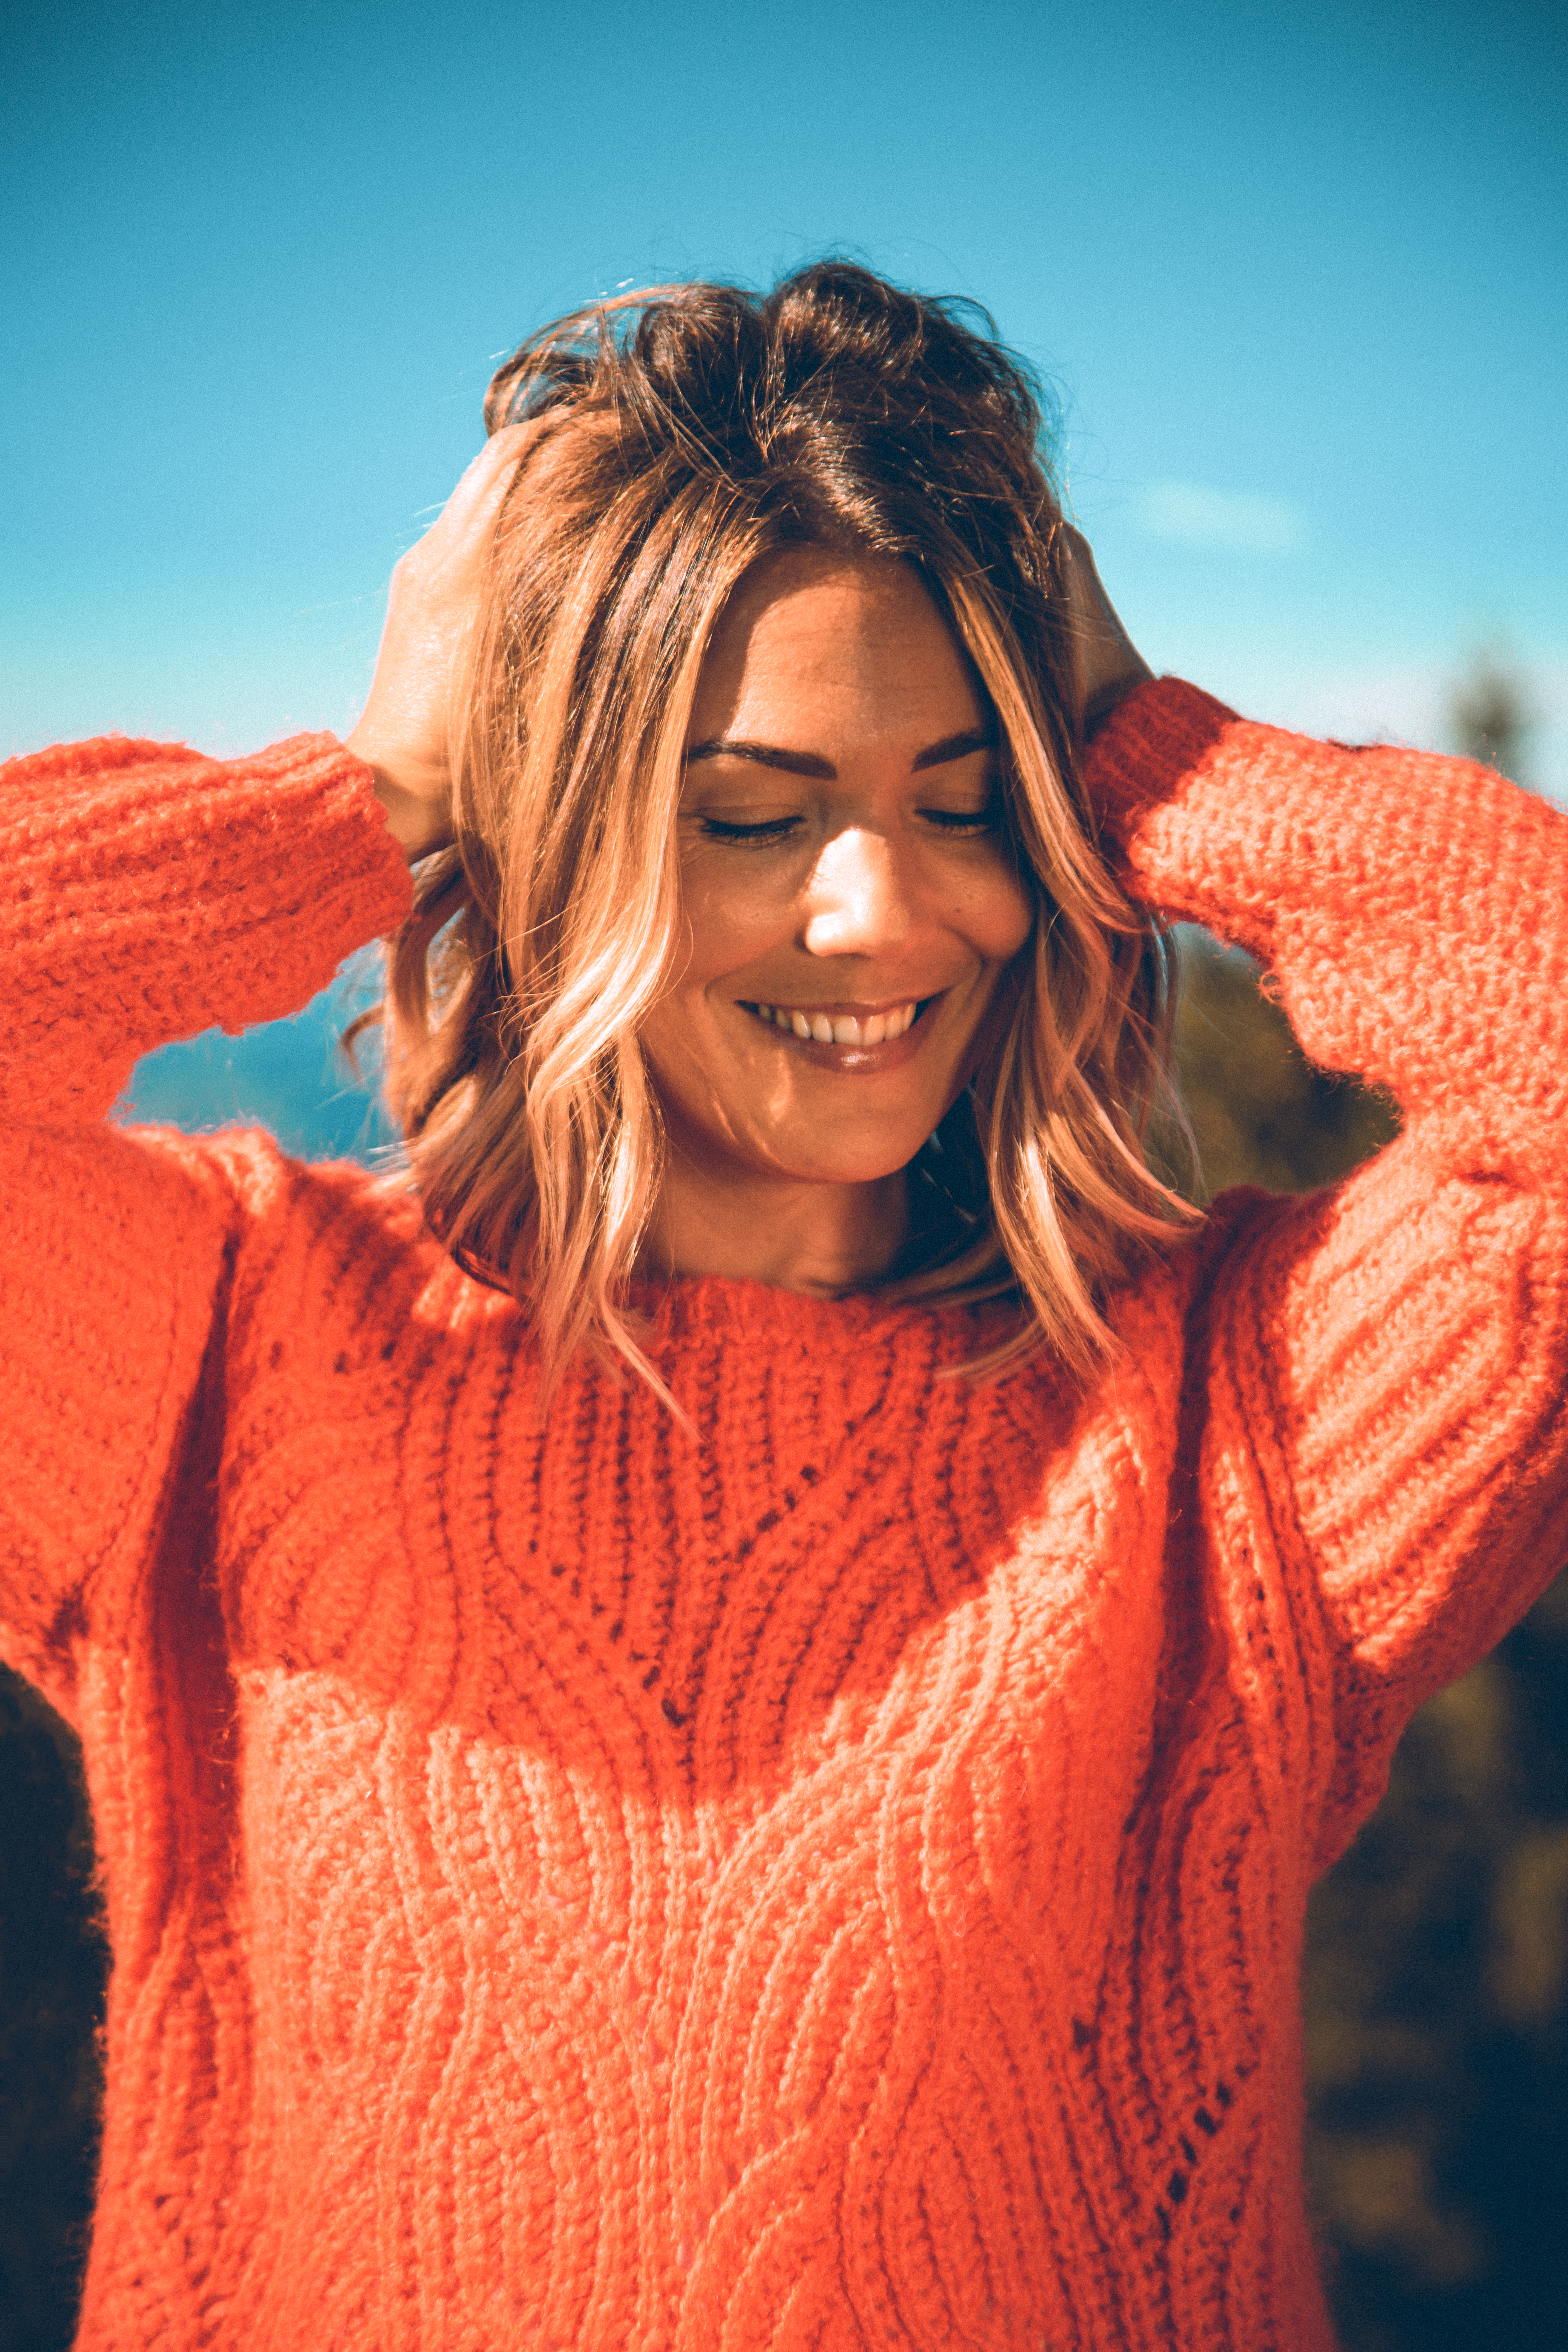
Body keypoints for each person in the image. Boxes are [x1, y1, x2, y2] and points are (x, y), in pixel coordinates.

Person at [2, 262, 1563, 2352]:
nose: (884, 909)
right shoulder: (219, 1340)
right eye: (751, 815)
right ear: (543, 831)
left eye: (969, 799)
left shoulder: (1228, 1432)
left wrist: (1169, 760)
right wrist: (364, 785)